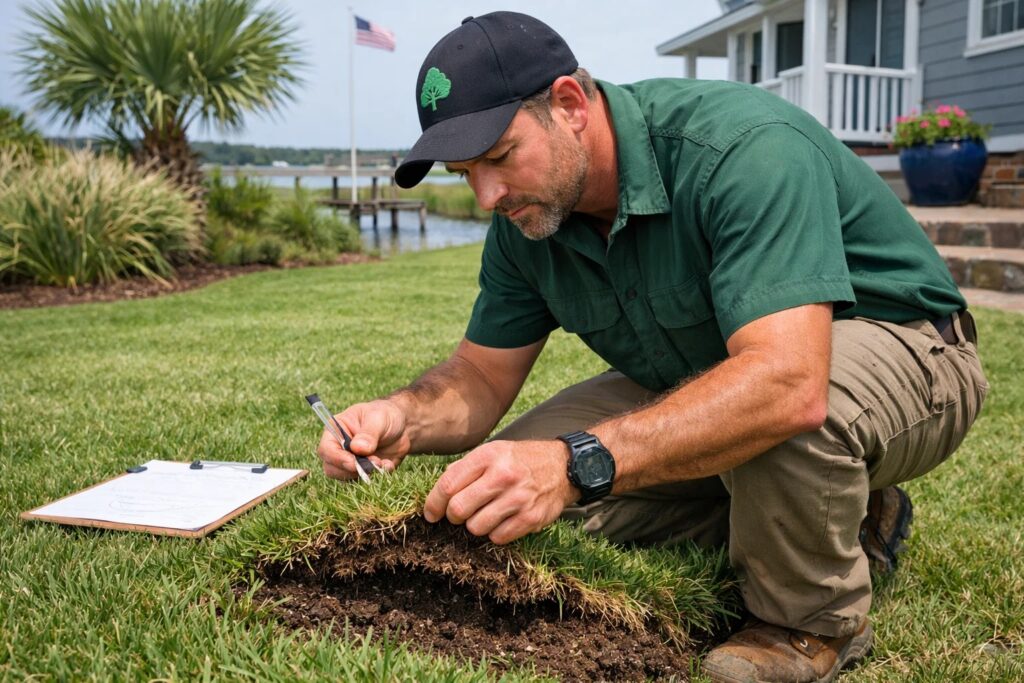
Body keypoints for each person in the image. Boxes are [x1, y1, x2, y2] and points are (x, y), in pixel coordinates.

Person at [317, 11, 988, 682]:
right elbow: (478, 378)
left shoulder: (741, 148)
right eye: (465, 173)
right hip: (716, 367)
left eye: (498, 157)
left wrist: (575, 464)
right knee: (504, 500)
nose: (487, 194)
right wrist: (401, 414)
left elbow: (788, 383)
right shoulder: (525, 223)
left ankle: (805, 622)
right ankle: (846, 510)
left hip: (907, 349)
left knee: (772, 417)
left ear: (571, 104)